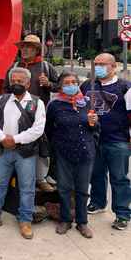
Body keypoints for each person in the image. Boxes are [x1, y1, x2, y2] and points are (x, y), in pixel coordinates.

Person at [0, 67, 46, 240]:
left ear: (28, 83)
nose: (16, 84)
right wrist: (1, 138)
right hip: (3, 150)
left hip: (25, 153)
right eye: (13, 81)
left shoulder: (37, 103)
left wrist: (15, 139)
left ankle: (25, 221)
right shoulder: (3, 100)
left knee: (27, 188)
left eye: (20, 81)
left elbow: (38, 130)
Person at [80, 53, 131, 231]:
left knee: (119, 178)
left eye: (103, 64)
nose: (99, 67)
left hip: (118, 141)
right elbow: (79, 106)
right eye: (96, 64)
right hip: (94, 140)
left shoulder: (125, 87)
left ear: (113, 66)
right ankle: (97, 202)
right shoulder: (87, 85)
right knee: (96, 174)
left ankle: (123, 214)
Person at [45, 72, 99, 238]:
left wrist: (93, 124)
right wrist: (56, 147)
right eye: (67, 82)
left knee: (82, 189)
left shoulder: (88, 102)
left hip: (85, 152)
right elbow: (48, 129)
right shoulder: (55, 105)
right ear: (60, 86)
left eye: (74, 82)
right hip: (63, 153)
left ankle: (82, 222)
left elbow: (96, 129)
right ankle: (66, 219)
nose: (71, 85)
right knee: (64, 188)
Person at [4, 34, 58, 193]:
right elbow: (5, 90)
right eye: (23, 46)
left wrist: (48, 84)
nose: (25, 49)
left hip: (38, 114)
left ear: (36, 50)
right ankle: (15, 178)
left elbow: (59, 86)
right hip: (16, 115)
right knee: (16, 145)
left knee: (41, 147)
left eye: (29, 47)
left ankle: (40, 178)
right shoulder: (14, 67)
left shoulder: (46, 67)